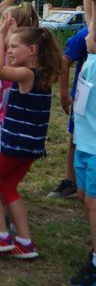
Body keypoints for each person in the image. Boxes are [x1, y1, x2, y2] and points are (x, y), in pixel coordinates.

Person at [0, 15, 63, 259]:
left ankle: (1, 236)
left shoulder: (27, 74)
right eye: (8, 47)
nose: (8, 51)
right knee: (8, 186)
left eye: (13, 47)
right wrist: (9, 36)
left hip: (14, 144)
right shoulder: (43, 73)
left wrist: (0, 35)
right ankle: (25, 242)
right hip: (32, 147)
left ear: (31, 50)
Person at [68, 0, 96, 286]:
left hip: (95, 146)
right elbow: (91, 20)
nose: (89, 33)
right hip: (86, 143)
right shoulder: (92, 57)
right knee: (85, 197)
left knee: (92, 203)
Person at [49, 25, 89, 199]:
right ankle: (71, 182)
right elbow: (65, 62)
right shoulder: (85, 35)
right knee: (76, 138)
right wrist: (64, 95)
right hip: (85, 98)